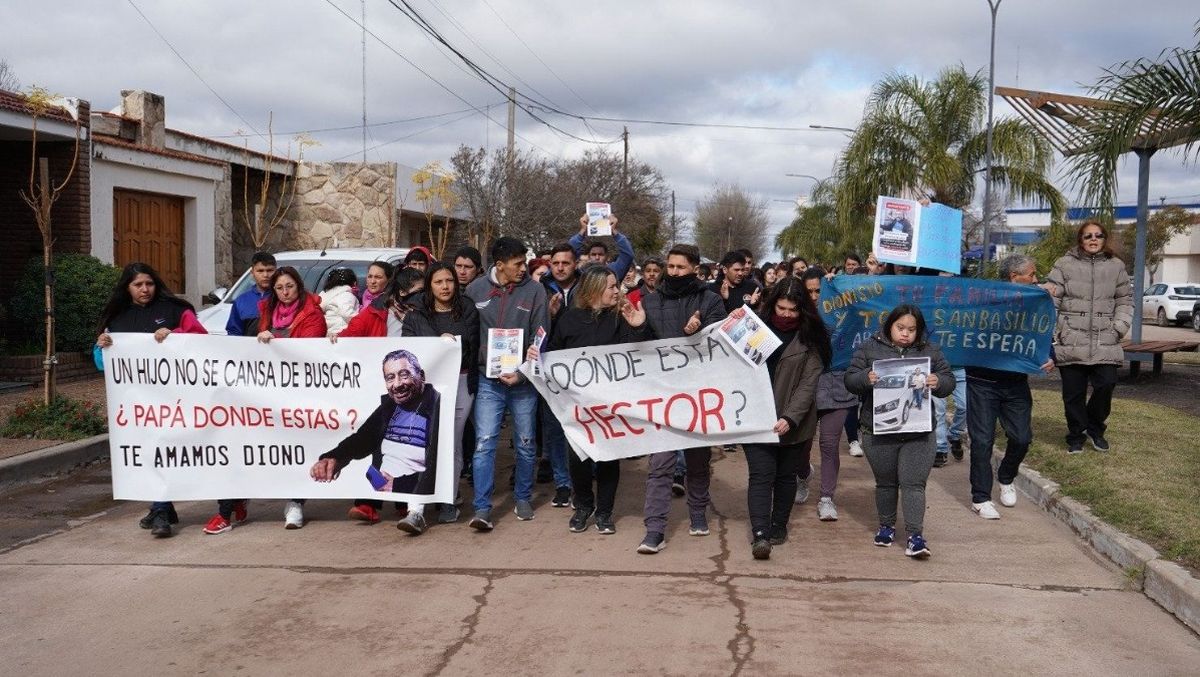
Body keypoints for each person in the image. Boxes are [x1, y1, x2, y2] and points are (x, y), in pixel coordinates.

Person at [530, 265, 652, 535]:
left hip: (611, 404)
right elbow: (554, 355)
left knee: (609, 458)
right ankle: (583, 506)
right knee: (579, 459)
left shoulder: (621, 317)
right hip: (577, 406)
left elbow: (640, 355)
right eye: (611, 286)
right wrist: (536, 356)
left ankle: (605, 512)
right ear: (595, 289)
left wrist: (639, 327)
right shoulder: (569, 319)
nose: (617, 291)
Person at [97, 262, 209, 538]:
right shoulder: (117, 318)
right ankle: (163, 506)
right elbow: (102, 363)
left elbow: (200, 339)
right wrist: (101, 347)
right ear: (127, 288)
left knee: (164, 448)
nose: (145, 289)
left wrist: (175, 336)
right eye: (138, 285)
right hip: (138, 403)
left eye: (149, 283)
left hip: (174, 399)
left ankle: (160, 511)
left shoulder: (175, 310)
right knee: (149, 452)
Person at [637, 244, 727, 554]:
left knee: (697, 461)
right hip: (662, 394)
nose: (674, 272)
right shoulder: (650, 301)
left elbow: (721, 344)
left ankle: (698, 513)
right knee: (660, 464)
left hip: (698, 394)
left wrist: (699, 332)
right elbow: (639, 348)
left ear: (695, 269)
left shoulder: (710, 301)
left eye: (680, 267)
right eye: (670, 266)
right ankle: (654, 529)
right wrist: (637, 326)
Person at [845, 304, 954, 559]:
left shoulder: (929, 351)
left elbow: (948, 380)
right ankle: (886, 526)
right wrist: (866, 378)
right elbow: (850, 380)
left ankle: (915, 536)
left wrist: (938, 382)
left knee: (913, 484)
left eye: (911, 330)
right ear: (889, 326)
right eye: (900, 328)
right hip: (879, 431)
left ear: (919, 330)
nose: (905, 334)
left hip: (919, 432)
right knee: (886, 482)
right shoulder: (869, 348)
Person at [464, 236, 549, 530]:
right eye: (517, 264)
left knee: (525, 443)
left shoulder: (535, 291)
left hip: (523, 382)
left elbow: (541, 336)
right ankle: (482, 507)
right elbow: (468, 332)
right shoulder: (475, 290)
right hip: (488, 381)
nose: (523, 269)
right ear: (499, 265)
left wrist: (523, 373)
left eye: (524, 263)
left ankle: (523, 497)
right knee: (484, 443)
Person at [743, 277, 828, 559]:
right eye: (781, 308)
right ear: (772, 305)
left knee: (785, 476)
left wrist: (790, 417)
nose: (787, 315)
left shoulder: (811, 337)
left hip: (795, 423)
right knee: (761, 475)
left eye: (793, 310)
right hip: (756, 418)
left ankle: (779, 524)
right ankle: (760, 534)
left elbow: (808, 383)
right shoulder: (754, 328)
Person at [966, 254, 1057, 520]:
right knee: (982, 441)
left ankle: (1006, 476)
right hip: (982, 383)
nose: (1036, 279)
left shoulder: (1034, 303)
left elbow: (1041, 333)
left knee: (1022, 438)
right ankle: (981, 498)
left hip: (1015, 382)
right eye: (1032, 274)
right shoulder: (985, 299)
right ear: (1014, 277)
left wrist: (1050, 356)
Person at [394, 262, 481, 532]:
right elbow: (407, 350)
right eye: (439, 282)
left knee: (451, 444)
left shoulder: (467, 308)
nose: (445, 286)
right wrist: (436, 342)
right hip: (424, 388)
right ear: (429, 286)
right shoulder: (415, 314)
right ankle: (415, 510)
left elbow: (472, 345)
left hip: (461, 382)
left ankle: (447, 500)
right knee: (420, 443)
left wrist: (452, 344)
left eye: (449, 281)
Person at [336, 267, 426, 523]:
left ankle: (395, 500)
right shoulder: (377, 310)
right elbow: (351, 335)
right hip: (381, 387)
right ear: (401, 292)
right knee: (379, 440)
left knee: (406, 443)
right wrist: (335, 342)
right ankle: (368, 502)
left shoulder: (424, 312)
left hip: (412, 388)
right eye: (416, 293)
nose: (420, 298)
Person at [1045, 220, 1133, 454]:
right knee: (1073, 394)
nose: (1093, 239)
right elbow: (1052, 300)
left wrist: (1119, 327)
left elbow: (1125, 301)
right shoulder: (1064, 264)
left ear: (1104, 239)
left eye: (1098, 235)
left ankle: (1095, 429)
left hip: (1106, 339)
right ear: (1080, 240)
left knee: (1106, 384)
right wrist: (1055, 332)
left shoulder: (1116, 266)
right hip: (1071, 338)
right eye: (1088, 236)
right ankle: (1076, 435)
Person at [311, 349, 442, 501]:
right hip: (386, 490)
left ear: (422, 376)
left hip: (414, 495)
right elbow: (364, 439)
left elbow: (441, 466)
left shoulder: (437, 407)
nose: (397, 384)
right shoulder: (390, 406)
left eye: (404, 375)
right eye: (390, 378)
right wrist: (335, 457)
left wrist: (400, 486)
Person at [256, 266, 328, 529]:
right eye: (279, 288)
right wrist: (261, 338)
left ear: (298, 286)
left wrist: (274, 341)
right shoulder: (267, 311)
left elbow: (305, 350)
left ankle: (295, 502)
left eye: (289, 286)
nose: (285, 292)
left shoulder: (312, 313)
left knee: (301, 447)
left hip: (302, 393)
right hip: (272, 392)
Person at [797, 268, 858, 522]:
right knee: (800, 446)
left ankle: (826, 498)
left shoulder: (845, 311)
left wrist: (842, 286)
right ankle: (802, 476)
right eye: (809, 292)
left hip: (838, 386)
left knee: (829, 444)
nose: (814, 297)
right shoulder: (795, 315)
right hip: (805, 388)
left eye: (819, 291)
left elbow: (865, 309)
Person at [538, 242, 582, 506]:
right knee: (554, 430)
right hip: (550, 370)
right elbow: (535, 330)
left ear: (575, 264)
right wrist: (549, 316)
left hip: (582, 370)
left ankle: (581, 483)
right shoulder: (540, 289)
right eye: (555, 263)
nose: (560, 268)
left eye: (566, 263)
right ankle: (563, 484)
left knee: (580, 428)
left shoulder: (587, 287)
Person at [570, 213, 634, 281]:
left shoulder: (614, 271)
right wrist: (583, 230)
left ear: (607, 257)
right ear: (588, 257)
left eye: (601, 254)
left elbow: (628, 255)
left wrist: (615, 232)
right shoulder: (582, 273)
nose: (597, 258)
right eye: (593, 254)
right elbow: (569, 254)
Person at [225, 251, 276, 336]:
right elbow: (234, 333)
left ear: (276, 271)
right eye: (260, 271)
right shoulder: (241, 301)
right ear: (252, 273)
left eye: (269, 270)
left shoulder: (284, 298)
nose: (265, 275)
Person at [319, 268, 360, 337]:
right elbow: (347, 313)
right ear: (354, 283)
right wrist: (362, 321)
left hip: (329, 334)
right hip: (341, 333)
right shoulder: (346, 295)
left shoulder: (325, 296)